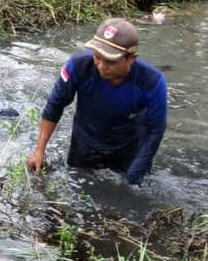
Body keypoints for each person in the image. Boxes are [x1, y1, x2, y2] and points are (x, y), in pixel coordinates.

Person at [26, 18, 168, 185]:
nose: (101, 66)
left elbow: (155, 131)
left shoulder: (152, 81)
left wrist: (133, 176)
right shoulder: (77, 66)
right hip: (85, 140)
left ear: (131, 58)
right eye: (98, 57)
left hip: (129, 144)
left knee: (131, 189)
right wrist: (39, 150)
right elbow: (55, 105)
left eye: (110, 61)